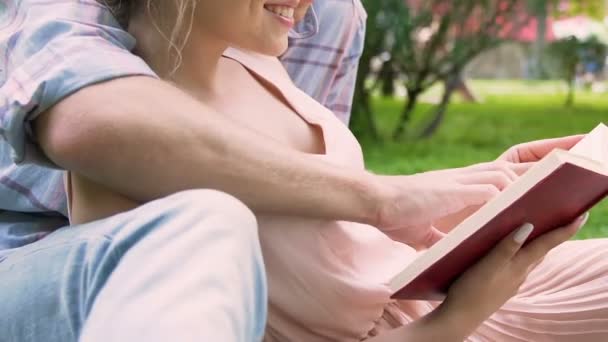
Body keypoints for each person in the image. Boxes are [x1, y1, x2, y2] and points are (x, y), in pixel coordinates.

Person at [64, 1, 608, 341]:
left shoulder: (252, 57)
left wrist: (490, 189)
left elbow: (338, 228)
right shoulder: (121, 153)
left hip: (432, 284)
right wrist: (453, 323)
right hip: (434, 325)